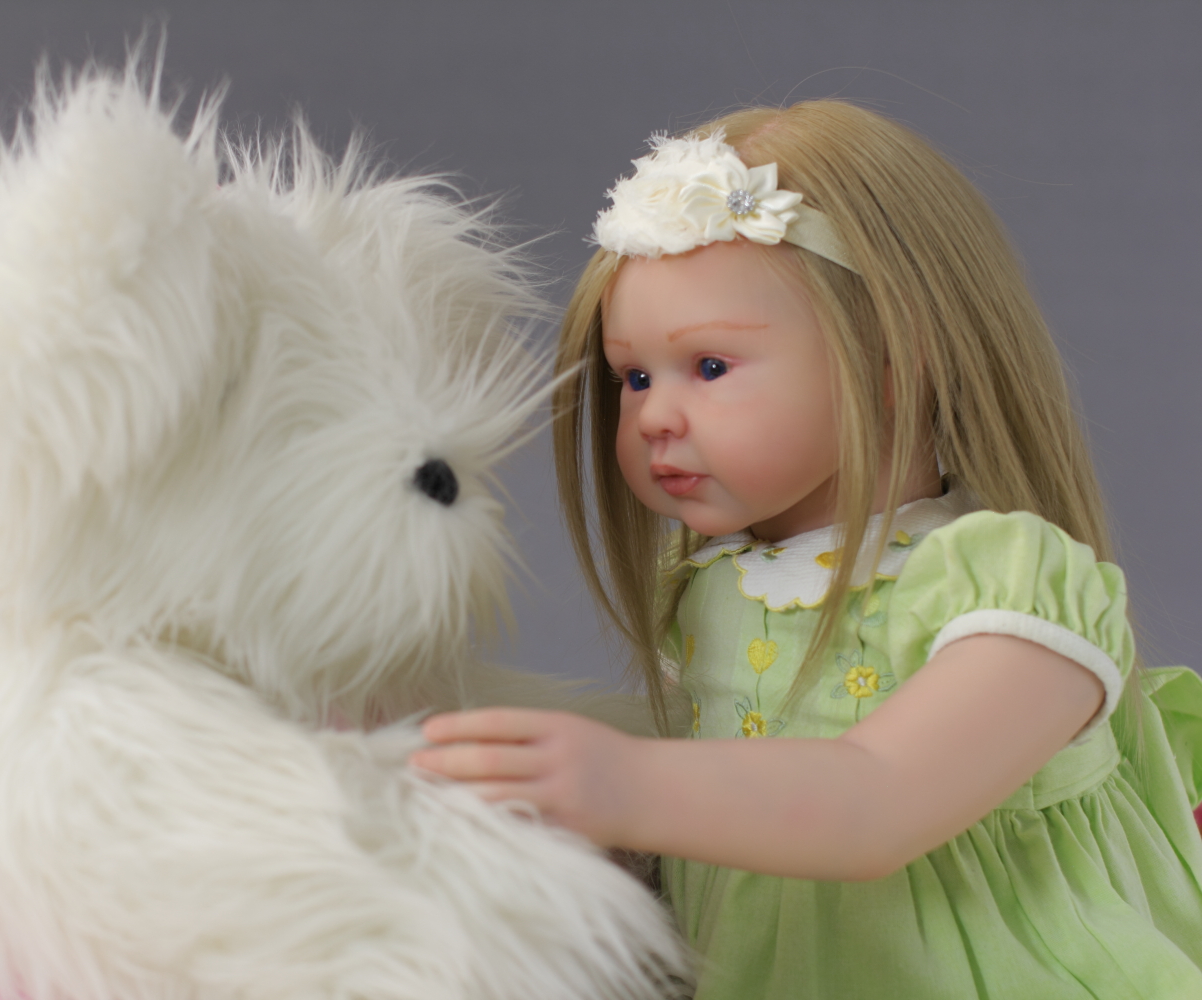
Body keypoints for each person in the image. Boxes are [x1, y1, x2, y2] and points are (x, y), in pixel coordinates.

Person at [412, 101, 1202, 998]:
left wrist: (626, 782)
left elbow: (878, 800)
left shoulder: (1008, 588)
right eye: (633, 376)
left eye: (710, 367)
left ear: (892, 364)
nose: (654, 415)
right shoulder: (710, 586)